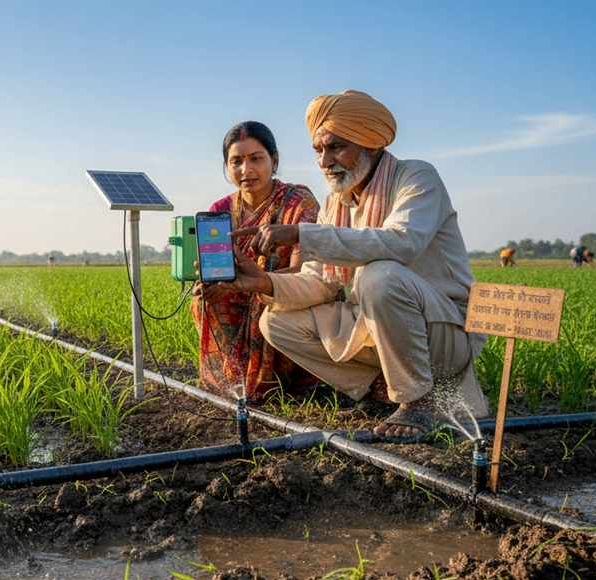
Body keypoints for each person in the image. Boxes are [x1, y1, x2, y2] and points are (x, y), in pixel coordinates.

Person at [221, 90, 489, 442]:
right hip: (378, 327)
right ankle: (380, 387)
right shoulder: (337, 202)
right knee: (277, 322)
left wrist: (302, 235)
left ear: (371, 144)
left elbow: (401, 243)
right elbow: (321, 282)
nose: (324, 160)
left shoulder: (417, 178)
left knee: (381, 275)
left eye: (336, 147)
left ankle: (418, 400)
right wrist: (265, 283)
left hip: (443, 330)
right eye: (319, 150)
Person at [192, 121, 321, 401]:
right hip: (239, 291)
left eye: (256, 159)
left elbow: (306, 271)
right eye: (236, 161)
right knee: (205, 297)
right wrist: (211, 279)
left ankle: (289, 384)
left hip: (285, 293)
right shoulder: (220, 211)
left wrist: (254, 284)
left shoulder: (299, 202)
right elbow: (220, 267)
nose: (245, 170)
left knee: (264, 303)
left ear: (274, 161)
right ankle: (233, 381)